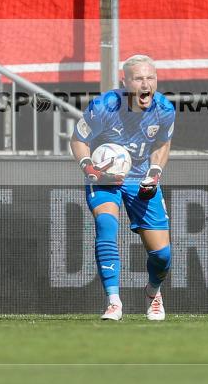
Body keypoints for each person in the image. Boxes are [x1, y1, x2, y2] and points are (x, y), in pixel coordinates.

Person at [70, 55, 175, 321]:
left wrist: (154, 172)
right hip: (104, 178)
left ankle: (153, 292)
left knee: (162, 255)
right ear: (125, 82)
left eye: (150, 78)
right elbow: (78, 140)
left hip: (141, 178)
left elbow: (162, 144)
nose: (145, 84)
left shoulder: (164, 109)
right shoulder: (103, 106)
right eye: (138, 78)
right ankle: (113, 301)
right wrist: (89, 168)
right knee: (106, 226)